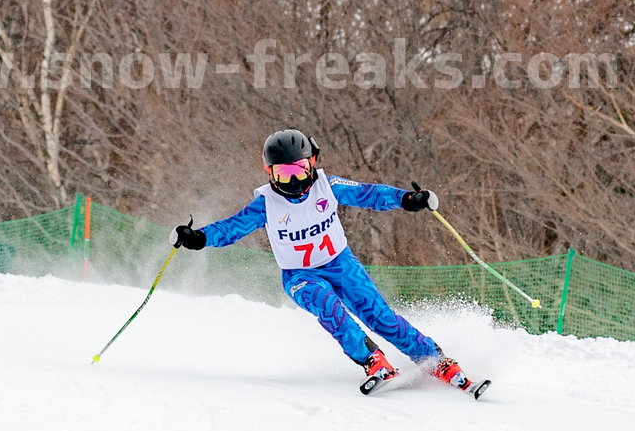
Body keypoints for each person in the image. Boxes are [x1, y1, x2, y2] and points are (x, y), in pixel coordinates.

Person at [174, 128, 488, 397]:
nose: (294, 181)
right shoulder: (266, 204)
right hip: (300, 275)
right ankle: (372, 359)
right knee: (326, 304)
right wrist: (198, 237)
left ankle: (436, 360)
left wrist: (407, 200)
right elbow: (231, 228)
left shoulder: (328, 186)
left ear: (312, 163)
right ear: (269, 173)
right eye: (284, 174)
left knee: (380, 317)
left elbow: (369, 194)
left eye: (299, 170)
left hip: (341, 263)